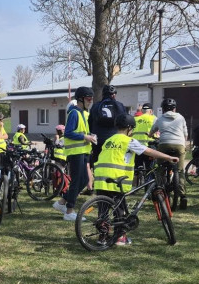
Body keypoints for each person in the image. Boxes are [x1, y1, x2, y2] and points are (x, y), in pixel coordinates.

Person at [92, 114, 180, 245]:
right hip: (116, 178)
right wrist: (168, 157)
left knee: (103, 211)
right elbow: (148, 151)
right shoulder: (128, 141)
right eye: (132, 129)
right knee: (119, 210)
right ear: (129, 128)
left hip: (100, 178)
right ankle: (120, 237)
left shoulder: (109, 140)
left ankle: (102, 238)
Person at [53, 86, 98, 221]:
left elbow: (83, 131)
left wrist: (90, 135)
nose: (91, 101)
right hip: (76, 152)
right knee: (77, 181)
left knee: (84, 180)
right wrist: (86, 137)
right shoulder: (74, 113)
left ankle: (61, 202)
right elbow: (68, 133)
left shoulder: (84, 113)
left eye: (92, 99)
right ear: (80, 99)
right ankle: (69, 211)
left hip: (84, 151)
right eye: (88, 99)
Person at [149, 98, 189, 209]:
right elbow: (186, 134)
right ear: (174, 108)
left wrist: (150, 135)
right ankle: (183, 196)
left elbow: (152, 131)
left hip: (164, 144)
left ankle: (161, 191)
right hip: (179, 145)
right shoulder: (181, 118)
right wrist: (184, 144)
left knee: (160, 169)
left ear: (163, 109)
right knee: (180, 171)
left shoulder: (160, 119)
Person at [88, 84, 128, 151]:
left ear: (103, 94)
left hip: (98, 140)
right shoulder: (119, 105)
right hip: (115, 140)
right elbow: (125, 122)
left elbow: (90, 123)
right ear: (114, 95)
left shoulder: (96, 106)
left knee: (97, 160)